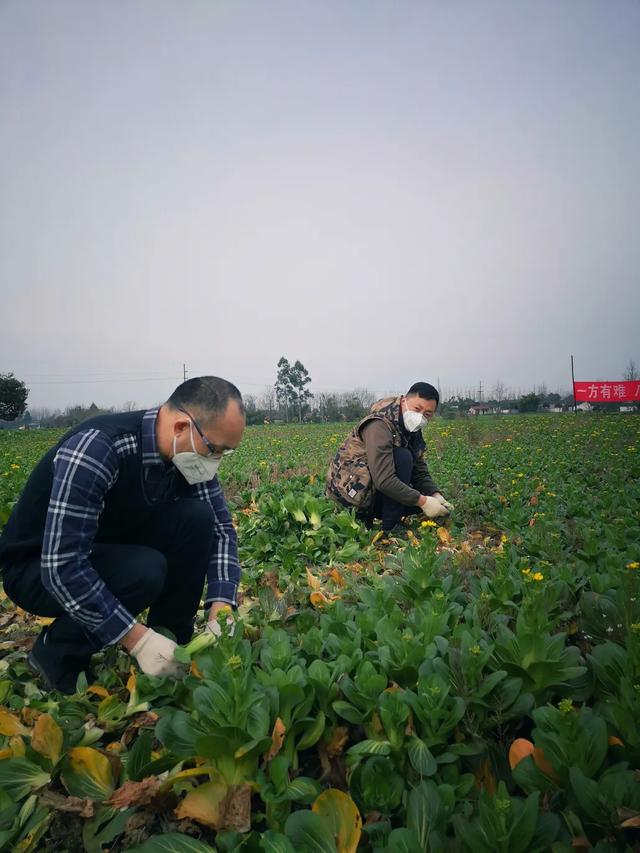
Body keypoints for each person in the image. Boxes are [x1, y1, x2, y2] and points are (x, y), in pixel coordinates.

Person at [0, 376, 245, 694]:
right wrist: (136, 639)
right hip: (38, 568)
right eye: (215, 449)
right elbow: (62, 565)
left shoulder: (189, 457)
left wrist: (222, 606)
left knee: (197, 518)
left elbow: (221, 531)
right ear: (181, 427)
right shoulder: (97, 447)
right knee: (145, 570)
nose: (216, 461)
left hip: (106, 548)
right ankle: (57, 652)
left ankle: (172, 643)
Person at [326, 382, 452, 533]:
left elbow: (418, 469)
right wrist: (423, 501)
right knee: (403, 458)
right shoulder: (379, 424)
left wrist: (434, 494)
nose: (420, 417)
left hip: (372, 486)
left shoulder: (411, 427)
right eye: (417, 409)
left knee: (418, 496)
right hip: (349, 494)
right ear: (404, 400)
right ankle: (389, 527)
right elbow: (383, 481)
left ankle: (388, 516)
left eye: (427, 414)